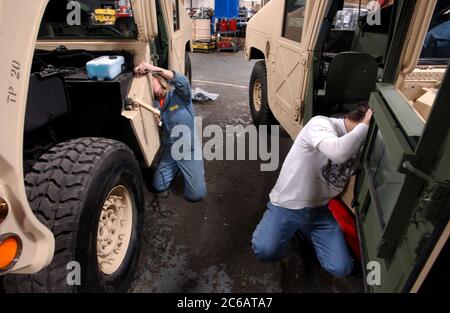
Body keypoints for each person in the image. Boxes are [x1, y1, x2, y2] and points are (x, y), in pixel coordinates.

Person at [252, 103, 373, 278]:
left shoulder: (358, 143)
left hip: (319, 210)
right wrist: (366, 125)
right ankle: (282, 224)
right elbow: (339, 152)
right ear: (361, 119)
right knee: (265, 251)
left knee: (342, 268)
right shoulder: (320, 124)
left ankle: (301, 228)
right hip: (288, 205)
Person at [134, 62, 207, 202]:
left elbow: (183, 81)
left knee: (196, 195)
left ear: (159, 80)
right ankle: (177, 168)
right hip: (170, 149)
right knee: (158, 186)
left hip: (187, 149)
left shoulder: (179, 95)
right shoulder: (153, 106)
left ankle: (193, 164)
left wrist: (154, 68)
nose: (151, 86)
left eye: (152, 80)